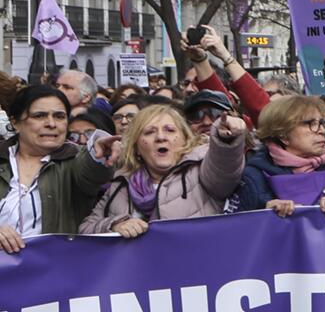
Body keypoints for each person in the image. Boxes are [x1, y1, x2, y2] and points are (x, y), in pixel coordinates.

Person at [82, 104, 247, 236]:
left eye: (170, 130)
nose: (161, 137)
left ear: (185, 139)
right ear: (137, 147)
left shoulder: (202, 172)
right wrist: (114, 225)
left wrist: (225, 138)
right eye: (149, 132)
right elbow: (85, 229)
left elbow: (225, 165)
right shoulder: (121, 183)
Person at [1, 83, 115, 252]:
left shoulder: (75, 160)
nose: (51, 123)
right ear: (15, 122)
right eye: (40, 116)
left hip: (55, 264)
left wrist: (100, 152)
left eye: (59, 116)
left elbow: (93, 172)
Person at [235, 94, 325, 217]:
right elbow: (239, 228)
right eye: (311, 124)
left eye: (322, 123)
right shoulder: (255, 175)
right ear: (283, 134)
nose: (321, 131)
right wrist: (264, 214)